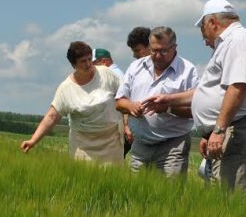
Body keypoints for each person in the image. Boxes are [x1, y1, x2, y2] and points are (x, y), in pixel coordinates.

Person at [142, 0, 246, 191]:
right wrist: (168, 100)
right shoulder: (228, 43)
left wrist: (218, 131)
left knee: (238, 197)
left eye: (203, 28)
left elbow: (237, 87)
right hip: (230, 130)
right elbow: (208, 91)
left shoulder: (238, 40)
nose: (203, 38)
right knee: (225, 196)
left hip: (239, 130)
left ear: (212, 22)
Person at [21, 41, 123, 164]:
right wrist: (33, 140)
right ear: (73, 64)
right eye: (83, 61)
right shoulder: (66, 88)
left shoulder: (106, 74)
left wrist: (127, 123)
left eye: (89, 59)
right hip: (82, 145)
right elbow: (52, 116)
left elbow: (125, 95)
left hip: (111, 141)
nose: (88, 64)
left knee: (111, 180)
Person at [115, 26, 198, 176]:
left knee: (169, 195)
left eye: (163, 51)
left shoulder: (187, 70)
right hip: (140, 146)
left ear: (174, 48)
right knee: (136, 193)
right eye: (154, 50)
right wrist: (131, 106)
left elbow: (196, 110)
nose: (158, 55)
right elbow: (119, 102)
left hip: (173, 145)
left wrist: (168, 108)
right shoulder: (136, 67)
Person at [123, 28, 152, 157]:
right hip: (140, 140)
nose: (134, 55)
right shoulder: (134, 69)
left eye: (137, 50)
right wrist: (126, 125)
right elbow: (122, 100)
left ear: (150, 46)